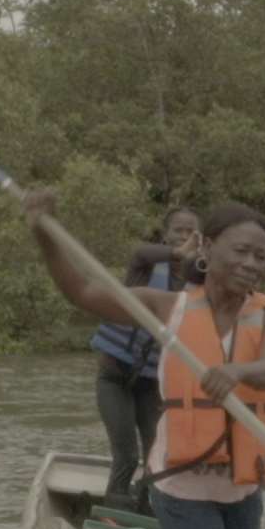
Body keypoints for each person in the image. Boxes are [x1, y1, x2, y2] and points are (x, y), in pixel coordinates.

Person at [21, 192, 265, 529]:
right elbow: (84, 291)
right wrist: (44, 234)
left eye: (260, 257)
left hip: (242, 491)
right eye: (241, 251)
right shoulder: (168, 308)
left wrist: (236, 372)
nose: (252, 264)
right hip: (181, 489)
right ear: (208, 246)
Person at [90, 207, 202, 506]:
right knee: (126, 456)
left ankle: (146, 513)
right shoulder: (144, 262)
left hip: (151, 384)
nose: (183, 235)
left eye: (190, 231)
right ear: (166, 234)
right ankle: (114, 510)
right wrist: (179, 252)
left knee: (157, 457)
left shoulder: (196, 282)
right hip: (115, 377)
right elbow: (142, 250)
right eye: (178, 230)